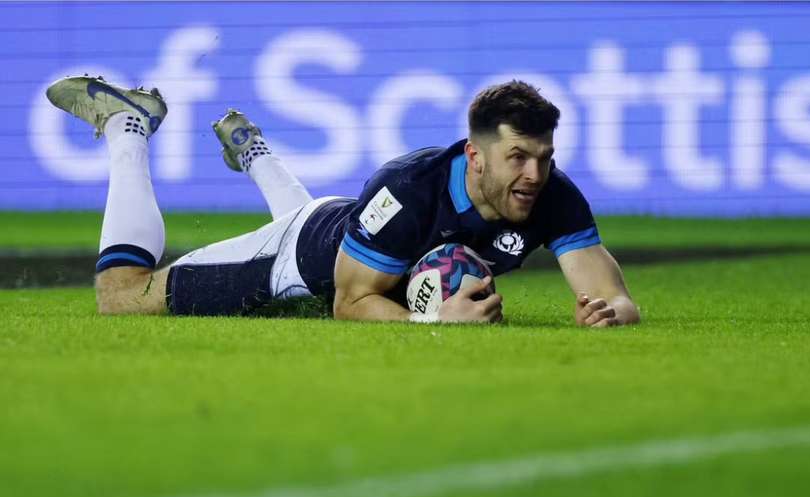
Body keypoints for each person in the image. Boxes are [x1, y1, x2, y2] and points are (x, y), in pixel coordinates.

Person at [46, 76, 639, 327]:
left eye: (544, 157)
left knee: (367, 238)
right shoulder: (409, 189)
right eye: (518, 159)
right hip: (297, 258)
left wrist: (608, 314)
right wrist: (434, 320)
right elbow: (351, 301)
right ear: (475, 156)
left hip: (352, 228)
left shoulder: (551, 194)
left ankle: (254, 154)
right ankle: (129, 127)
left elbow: (613, 295)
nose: (534, 174)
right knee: (121, 298)